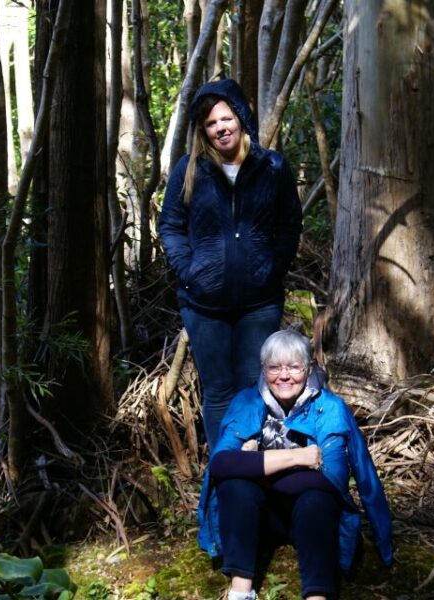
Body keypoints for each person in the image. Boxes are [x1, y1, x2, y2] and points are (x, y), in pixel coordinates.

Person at [159, 78, 303, 449]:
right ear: (203, 131)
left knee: (253, 388)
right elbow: (171, 226)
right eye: (210, 123)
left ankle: (258, 472)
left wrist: (273, 268)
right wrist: (191, 272)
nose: (220, 128)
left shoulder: (271, 167)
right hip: (204, 306)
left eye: (225, 118)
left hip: (259, 303)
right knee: (219, 391)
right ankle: (225, 476)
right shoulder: (189, 170)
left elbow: (290, 224)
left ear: (240, 118)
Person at [197, 330, 394, 600]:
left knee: (318, 498)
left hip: (311, 518)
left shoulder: (330, 408)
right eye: (274, 367)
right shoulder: (246, 401)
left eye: (294, 367)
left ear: (309, 368)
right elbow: (220, 465)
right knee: (235, 486)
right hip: (261, 517)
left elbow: (329, 478)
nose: (284, 376)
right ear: (263, 370)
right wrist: (300, 457)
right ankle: (241, 591)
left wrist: (253, 465)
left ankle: (317, 595)